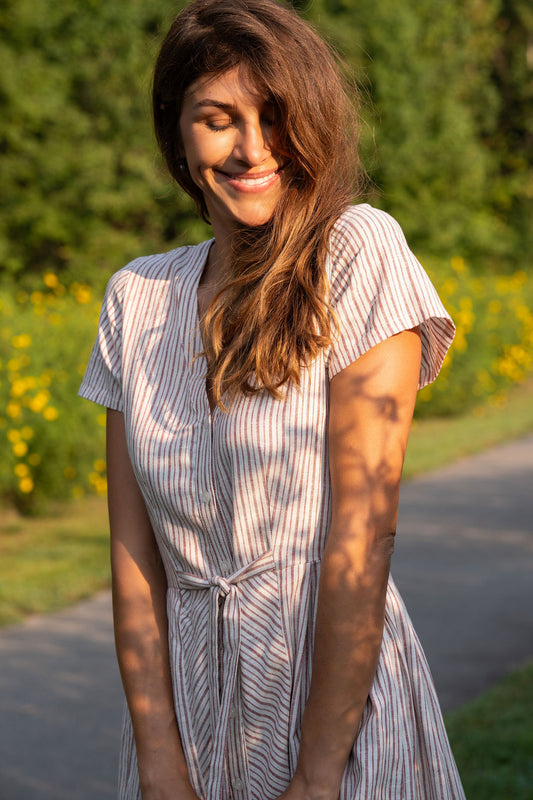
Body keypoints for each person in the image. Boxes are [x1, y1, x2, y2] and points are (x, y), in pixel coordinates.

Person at [79, 1, 466, 798]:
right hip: (181, 712)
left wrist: (320, 774)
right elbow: (132, 558)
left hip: (332, 700)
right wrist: (158, 760)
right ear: (176, 132)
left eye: (276, 117)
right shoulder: (136, 296)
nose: (252, 149)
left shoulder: (358, 252)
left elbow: (364, 535)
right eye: (217, 119)